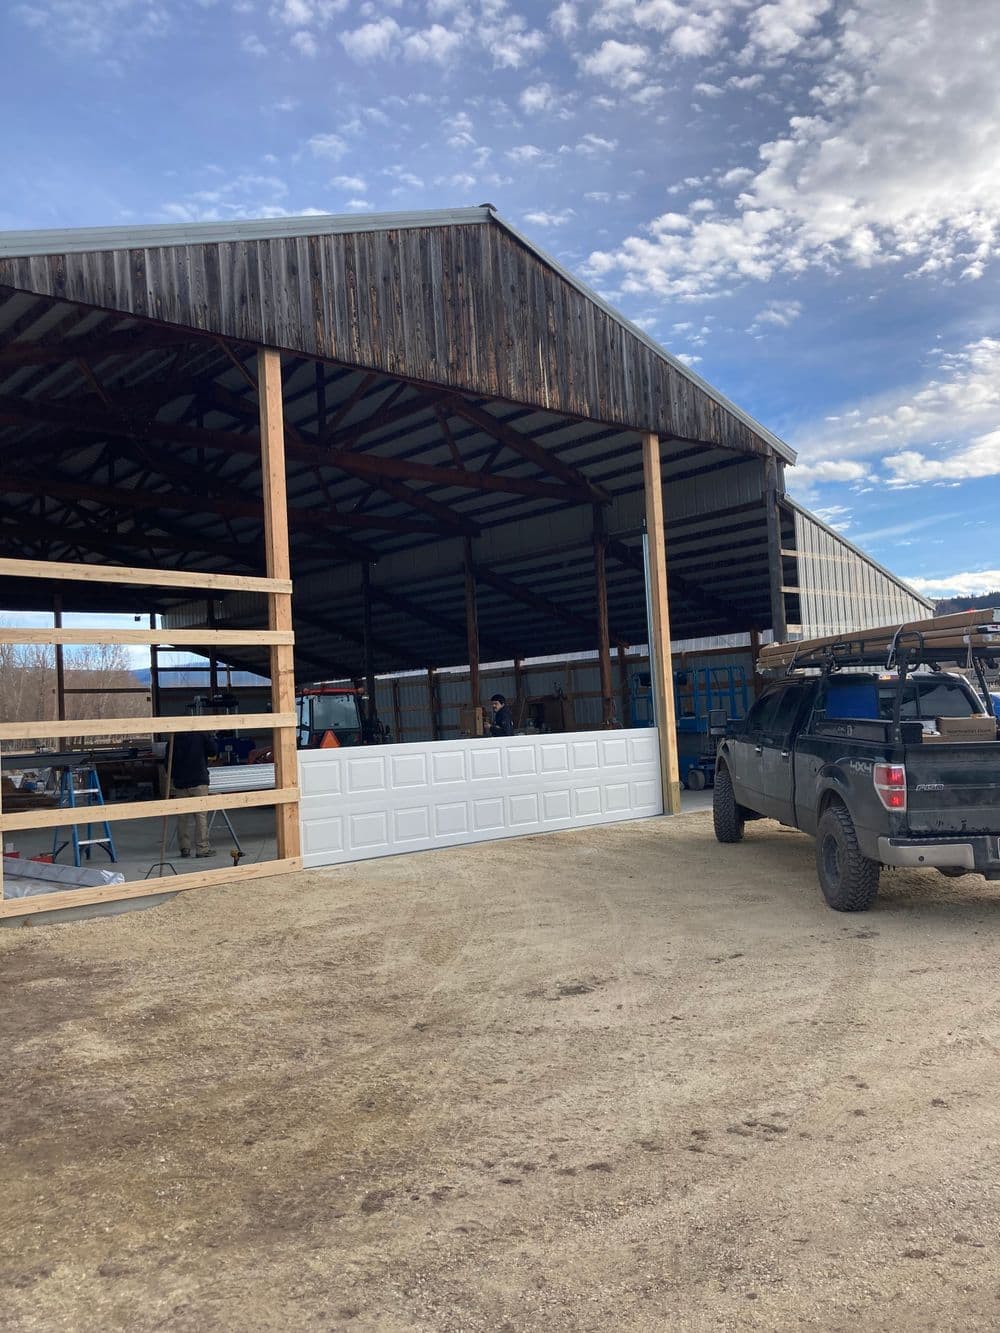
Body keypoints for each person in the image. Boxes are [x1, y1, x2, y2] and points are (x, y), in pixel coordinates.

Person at [168, 717, 218, 858]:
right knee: (200, 816)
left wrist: (174, 776)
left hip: (180, 783)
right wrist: (211, 736)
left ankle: (184, 848)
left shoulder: (174, 738)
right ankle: (202, 849)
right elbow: (213, 751)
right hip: (198, 781)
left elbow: (167, 762)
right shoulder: (201, 734)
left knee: (182, 817)